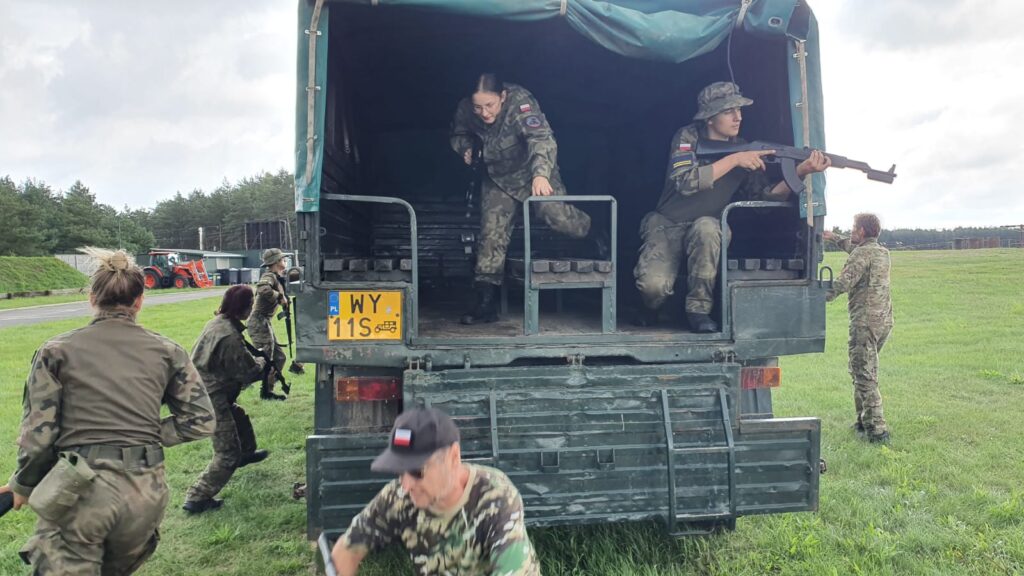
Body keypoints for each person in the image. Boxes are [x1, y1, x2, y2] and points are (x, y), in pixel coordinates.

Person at [0, 247, 216, 575]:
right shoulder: (169, 352)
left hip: (79, 491)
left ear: (92, 298)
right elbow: (201, 421)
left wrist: (22, 485)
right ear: (139, 300)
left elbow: (39, 436)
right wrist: (143, 435)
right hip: (145, 494)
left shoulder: (55, 352)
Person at [633, 81, 832, 333]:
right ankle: (651, 308)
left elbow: (763, 199)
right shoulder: (688, 137)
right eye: (729, 111)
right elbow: (685, 182)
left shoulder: (745, 148)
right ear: (709, 118)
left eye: (739, 110)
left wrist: (801, 171)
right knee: (653, 289)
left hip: (706, 227)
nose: (738, 117)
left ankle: (699, 311)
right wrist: (735, 160)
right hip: (667, 224)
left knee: (708, 228)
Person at [451, 72, 599, 325]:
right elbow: (459, 133)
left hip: (535, 171)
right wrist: (465, 148)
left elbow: (540, 138)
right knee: (491, 233)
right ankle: (486, 301)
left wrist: (540, 175)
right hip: (499, 177)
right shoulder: (466, 108)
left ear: (503, 96)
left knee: (555, 215)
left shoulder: (521, 103)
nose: (484, 113)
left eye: (490, 105)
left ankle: (594, 231)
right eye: (478, 107)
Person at [331, 407, 540, 575]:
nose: (406, 485)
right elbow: (347, 550)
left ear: (453, 457)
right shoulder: (399, 497)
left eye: (417, 471)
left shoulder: (496, 497)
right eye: (400, 471)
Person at [183, 285, 272, 514]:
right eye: (250, 305)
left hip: (202, 391)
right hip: (210, 397)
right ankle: (197, 497)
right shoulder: (230, 336)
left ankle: (246, 453)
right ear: (244, 307)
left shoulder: (218, 323)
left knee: (238, 416)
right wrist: (262, 362)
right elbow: (247, 373)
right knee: (226, 453)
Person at [824, 213, 894, 444]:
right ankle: (862, 421)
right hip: (883, 321)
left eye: (854, 227)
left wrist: (814, 295)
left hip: (865, 323)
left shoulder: (861, 254)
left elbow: (843, 283)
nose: (851, 231)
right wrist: (833, 237)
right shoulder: (881, 252)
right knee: (861, 369)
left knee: (864, 374)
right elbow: (853, 247)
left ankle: (877, 430)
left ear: (862, 231)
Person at [249, 248, 290, 399]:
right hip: (259, 321)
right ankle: (243, 381)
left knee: (279, 358)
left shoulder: (277, 277)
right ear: (277, 262)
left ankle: (268, 387)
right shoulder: (269, 276)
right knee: (265, 359)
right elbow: (263, 289)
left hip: (264, 321)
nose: (285, 261)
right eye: (283, 259)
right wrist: (279, 297)